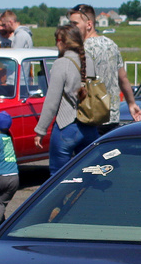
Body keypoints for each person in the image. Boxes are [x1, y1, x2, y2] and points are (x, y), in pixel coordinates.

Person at [34, 24, 96, 174]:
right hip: (89, 126)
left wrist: (40, 130)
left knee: (57, 176)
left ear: (61, 41)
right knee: (88, 175)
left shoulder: (62, 64)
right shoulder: (89, 60)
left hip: (66, 126)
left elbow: (52, 101)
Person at [66, 4, 141, 122]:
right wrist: (131, 104)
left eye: (74, 24)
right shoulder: (111, 44)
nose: (70, 28)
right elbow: (123, 78)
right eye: (69, 24)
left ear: (89, 25)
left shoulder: (80, 49)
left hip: (89, 117)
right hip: (111, 117)